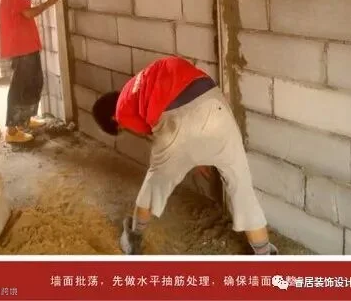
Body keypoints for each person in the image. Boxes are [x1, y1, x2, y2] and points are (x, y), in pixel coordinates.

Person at [91, 55, 278, 255]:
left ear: (113, 119)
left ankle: (133, 236)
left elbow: (158, 132)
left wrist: (186, 155)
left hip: (175, 122)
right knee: (241, 187)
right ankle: (264, 252)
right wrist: (197, 157)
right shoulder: (141, 82)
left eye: (121, 128)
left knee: (154, 185)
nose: (125, 128)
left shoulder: (121, 110)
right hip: (216, 106)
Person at [0, 0, 61, 143]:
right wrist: (49, 2)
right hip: (20, 44)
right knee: (20, 85)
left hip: (26, 42)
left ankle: (25, 119)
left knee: (34, 82)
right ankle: (12, 131)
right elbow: (27, 13)